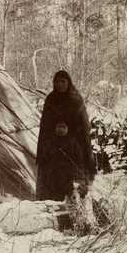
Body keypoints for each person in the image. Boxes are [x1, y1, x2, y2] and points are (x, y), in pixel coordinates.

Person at [37, 70, 96, 199]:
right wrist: (54, 131)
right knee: (54, 182)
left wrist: (70, 131)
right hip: (54, 147)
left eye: (63, 81)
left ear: (68, 82)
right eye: (57, 82)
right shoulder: (51, 99)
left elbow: (84, 125)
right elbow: (44, 125)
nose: (60, 84)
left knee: (73, 184)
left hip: (73, 147)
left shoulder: (76, 99)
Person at [37, 121, 87, 201]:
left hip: (65, 172)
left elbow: (78, 158)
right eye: (59, 127)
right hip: (55, 171)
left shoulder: (71, 141)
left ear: (66, 129)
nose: (61, 130)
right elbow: (45, 157)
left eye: (62, 128)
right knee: (57, 190)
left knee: (64, 190)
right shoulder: (52, 141)